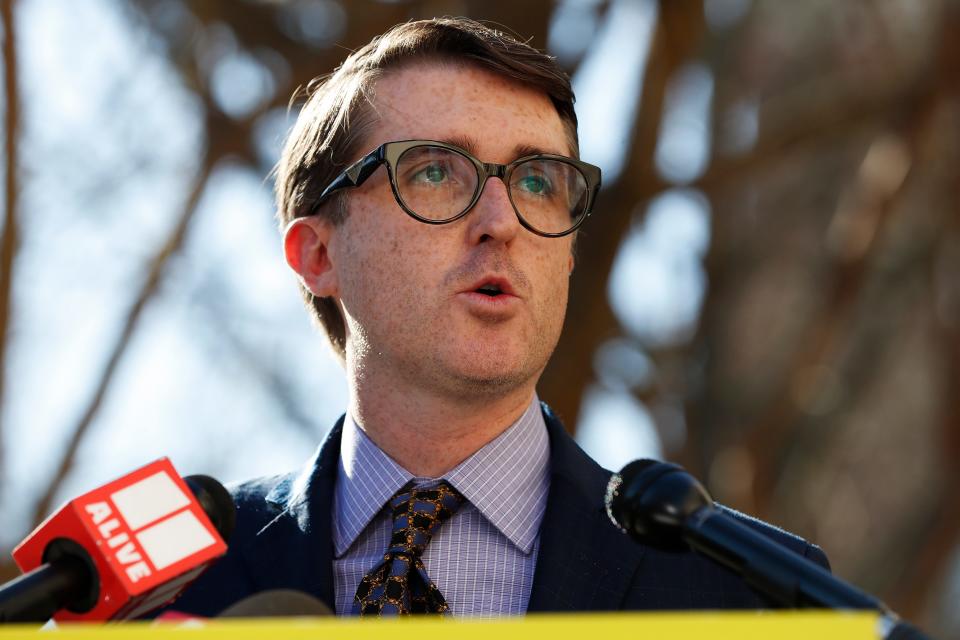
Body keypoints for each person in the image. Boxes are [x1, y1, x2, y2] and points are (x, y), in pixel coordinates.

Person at [168, 17, 828, 617]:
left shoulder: (759, 594)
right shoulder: (168, 582)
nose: (502, 222)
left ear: (568, 254)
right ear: (317, 254)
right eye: (433, 172)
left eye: (538, 182)